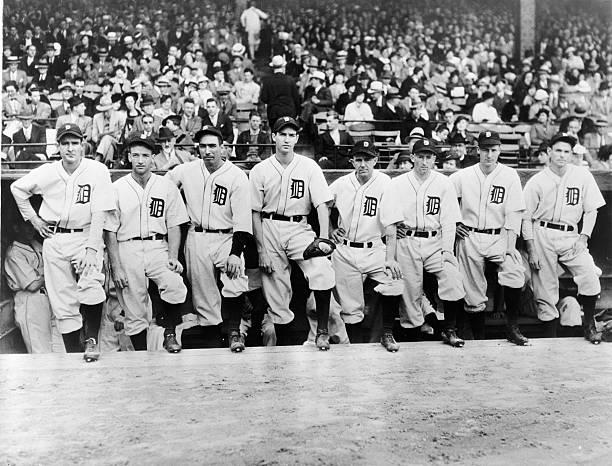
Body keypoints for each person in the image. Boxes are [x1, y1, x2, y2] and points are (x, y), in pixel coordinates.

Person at [10, 123, 115, 361]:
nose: (70, 148)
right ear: (58, 146)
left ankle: (91, 340)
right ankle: (73, 355)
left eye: (75, 143)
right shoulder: (48, 171)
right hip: (55, 237)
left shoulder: (97, 170)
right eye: (65, 143)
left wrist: (91, 247)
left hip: (85, 234)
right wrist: (35, 220)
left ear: (83, 145)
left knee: (91, 285)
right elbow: (17, 188)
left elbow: (100, 212)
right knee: (62, 302)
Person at [249, 116, 336, 350]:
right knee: (277, 293)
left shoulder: (309, 166)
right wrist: (262, 250)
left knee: (321, 268)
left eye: (291, 134)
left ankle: (323, 332)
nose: (287, 139)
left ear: (297, 138)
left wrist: (324, 238)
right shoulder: (260, 170)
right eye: (282, 134)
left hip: (299, 227)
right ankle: (284, 349)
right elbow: (255, 212)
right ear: (273, 136)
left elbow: (322, 205)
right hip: (269, 227)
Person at [167, 126, 253, 352]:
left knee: (235, 279)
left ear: (222, 148)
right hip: (196, 235)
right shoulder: (186, 170)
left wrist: (236, 253)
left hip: (226, 236)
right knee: (203, 296)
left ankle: (234, 332)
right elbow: (164, 186)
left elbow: (243, 220)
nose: (207, 151)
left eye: (212, 146)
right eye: (203, 146)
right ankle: (214, 342)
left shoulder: (236, 176)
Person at [104, 136, 189, 353]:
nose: (140, 160)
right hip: (127, 247)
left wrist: (173, 255)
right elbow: (110, 231)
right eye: (135, 155)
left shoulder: (166, 186)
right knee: (134, 310)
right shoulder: (117, 188)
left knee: (174, 285)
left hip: (157, 245)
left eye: (145, 155)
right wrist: (116, 266)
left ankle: (169, 333)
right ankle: (142, 356)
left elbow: (174, 225)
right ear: (129, 158)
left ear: (153, 158)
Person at [380, 139, 466, 347]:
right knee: (409, 294)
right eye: (420, 156)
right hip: (407, 240)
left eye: (429, 157)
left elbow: (449, 221)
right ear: (413, 158)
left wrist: (447, 251)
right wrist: (390, 257)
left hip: (435, 242)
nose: (424, 161)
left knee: (452, 277)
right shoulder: (397, 184)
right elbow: (390, 223)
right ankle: (405, 337)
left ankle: (449, 329)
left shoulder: (444, 183)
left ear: (435, 159)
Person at [522, 133, 606, 343]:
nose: (562, 155)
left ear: (571, 154)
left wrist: (584, 237)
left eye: (566, 152)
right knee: (545, 287)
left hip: (570, 234)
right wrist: (531, 248)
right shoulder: (537, 181)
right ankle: (550, 339)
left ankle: (589, 326)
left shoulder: (582, 175)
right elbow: (525, 217)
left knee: (589, 274)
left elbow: (591, 210)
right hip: (542, 231)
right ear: (549, 152)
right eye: (558, 150)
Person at [450, 131, 529, 345]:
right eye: (485, 150)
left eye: (493, 150)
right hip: (470, 235)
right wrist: (455, 223)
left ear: (499, 151)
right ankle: (477, 338)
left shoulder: (510, 175)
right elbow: (446, 201)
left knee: (514, 271)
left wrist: (511, 245)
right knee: (473, 293)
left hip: (499, 235)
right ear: (477, 151)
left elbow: (515, 212)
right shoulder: (462, 175)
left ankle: (512, 328)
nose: (489, 155)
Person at [328, 140, 404, 351]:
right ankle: (355, 349)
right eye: (359, 159)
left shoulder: (385, 182)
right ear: (352, 161)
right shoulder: (342, 183)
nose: (363, 164)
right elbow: (322, 204)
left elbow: (390, 225)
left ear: (376, 160)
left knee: (393, 281)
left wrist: (390, 258)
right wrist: (330, 229)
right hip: (345, 249)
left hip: (374, 248)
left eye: (368, 159)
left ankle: (387, 333)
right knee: (351, 309)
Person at [3, 221, 63, 353]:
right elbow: (33, 284)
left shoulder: (35, 244)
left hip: (47, 297)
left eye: (32, 226)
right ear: (16, 227)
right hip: (30, 302)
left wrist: (43, 273)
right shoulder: (14, 252)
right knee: (40, 350)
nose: (31, 229)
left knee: (59, 348)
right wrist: (50, 270)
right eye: (26, 226)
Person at [260, 55, 300, 129]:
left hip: (274, 113)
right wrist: (298, 112)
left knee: (276, 134)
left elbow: (264, 98)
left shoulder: (267, 81)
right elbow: (296, 98)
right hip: (290, 112)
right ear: (283, 67)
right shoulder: (290, 80)